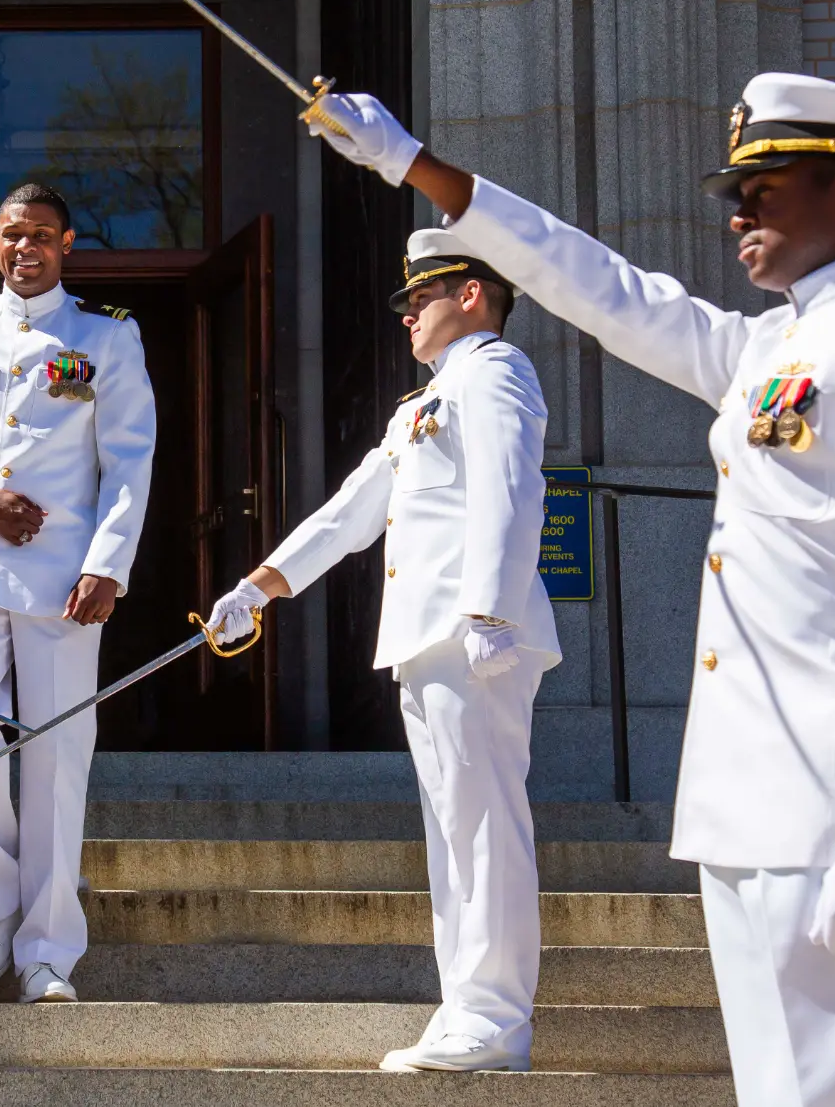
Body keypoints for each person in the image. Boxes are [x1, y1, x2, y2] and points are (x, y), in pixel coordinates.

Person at [307, 73, 835, 1105]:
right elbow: (609, 289)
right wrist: (414, 167)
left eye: (765, 188)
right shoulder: (766, 348)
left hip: (834, 802)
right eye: (734, 193)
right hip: (746, 795)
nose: (736, 213)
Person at [207, 228, 560, 1072]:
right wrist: (260, 584)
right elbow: (350, 512)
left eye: (420, 297)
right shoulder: (418, 407)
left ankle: (499, 1019)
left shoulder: (496, 371)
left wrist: (491, 611)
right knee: (451, 830)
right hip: (427, 642)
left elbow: (515, 490)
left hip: (475, 635)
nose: (405, 314)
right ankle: (466, 1008)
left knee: (483, 827)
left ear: (471, 293)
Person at [0, 184, 157, 1004]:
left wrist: (108, 564)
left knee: (55, 755)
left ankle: (49, 949)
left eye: (41, 235)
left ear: (68, 243)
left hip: (63, 579)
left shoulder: (104, 337)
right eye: (13, 234)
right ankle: (1, 905)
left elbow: (128, 460)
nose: (25, 248)